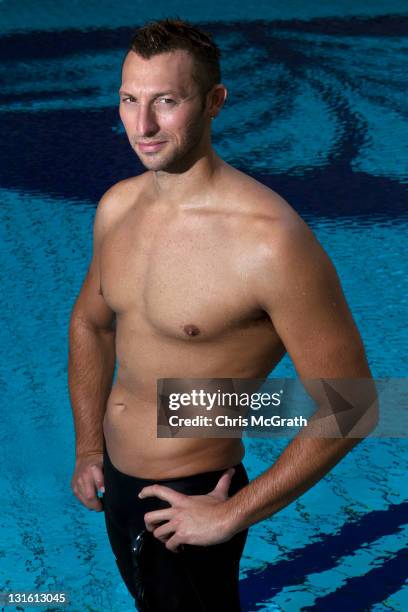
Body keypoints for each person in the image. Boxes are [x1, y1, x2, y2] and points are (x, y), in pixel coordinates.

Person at [68, 18, 376, 612]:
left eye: (166, 101)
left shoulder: (270, 243)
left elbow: (355, 402)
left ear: (214, 102)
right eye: (130, 99)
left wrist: (232, 513)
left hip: (190, 498)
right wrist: (87, 448)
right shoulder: (117, 205)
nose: (143, 125)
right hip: (118, 482)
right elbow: (92, 323)